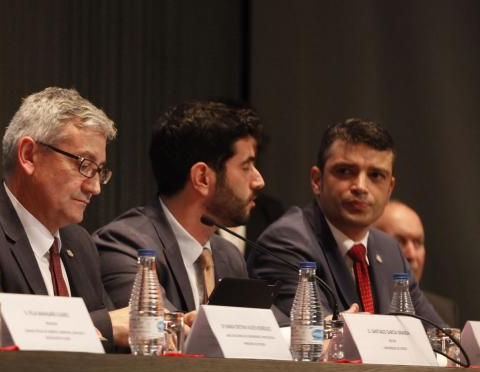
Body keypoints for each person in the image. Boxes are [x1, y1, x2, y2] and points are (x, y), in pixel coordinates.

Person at [0, 87, 128, 349]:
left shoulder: (79, 243)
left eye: (99, 171)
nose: (94, 187)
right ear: (29, 155)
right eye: (84, 164)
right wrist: (104, 326)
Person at [248, 118, 444, 325]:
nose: (360, 186)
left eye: (376, 175)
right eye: (345, 171)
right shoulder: (287, 242)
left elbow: (438, 334)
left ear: (390, 189)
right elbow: (314, 338)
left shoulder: (390, 250)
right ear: (317, 180)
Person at [93, 100, 264, 314]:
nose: (259, 181)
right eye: (246, 166)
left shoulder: (229, 257)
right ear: (202, 178)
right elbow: (154, 329)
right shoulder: (125, 246)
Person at [374, 199, 460, 325]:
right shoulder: (360, 304)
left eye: (417, 243)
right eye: (399, 241)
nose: (412, 254)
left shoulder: (443, 310)